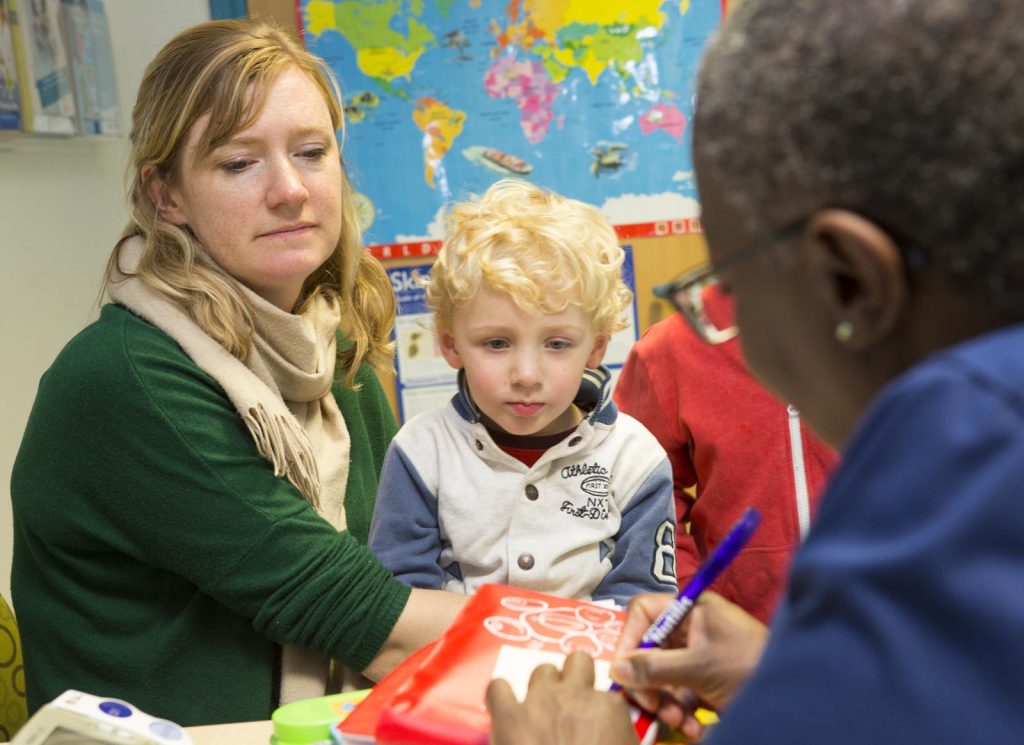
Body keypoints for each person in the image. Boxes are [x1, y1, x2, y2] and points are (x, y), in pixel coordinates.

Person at [487, 0, 1024, 742]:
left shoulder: (942, 504)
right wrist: (785, 674)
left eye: (730, 285)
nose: (720, 314)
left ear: (850, 284)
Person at [9, 19, 465, 727]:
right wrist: (592, 645)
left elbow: (405, 566)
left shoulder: (335, 356)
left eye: (311, 152)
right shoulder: (125, 377)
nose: (289, 189)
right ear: (167, 195)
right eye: (238, 163)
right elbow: (367, 619)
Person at [368, 179, 678, 607]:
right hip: (458, 671)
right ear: (450, 344)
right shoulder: (420, 453)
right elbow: (400, 602)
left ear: (597, 347)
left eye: (557, 344)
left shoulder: (635, 460)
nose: (527, 375)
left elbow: (642, 606)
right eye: (497, 344)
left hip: (591, 672)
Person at [614, 285, 838, 624]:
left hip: (886, 633)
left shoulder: (895, 333)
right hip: (732, 641)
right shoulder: (671, 347)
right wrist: (693, 598)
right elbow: (633, 483)